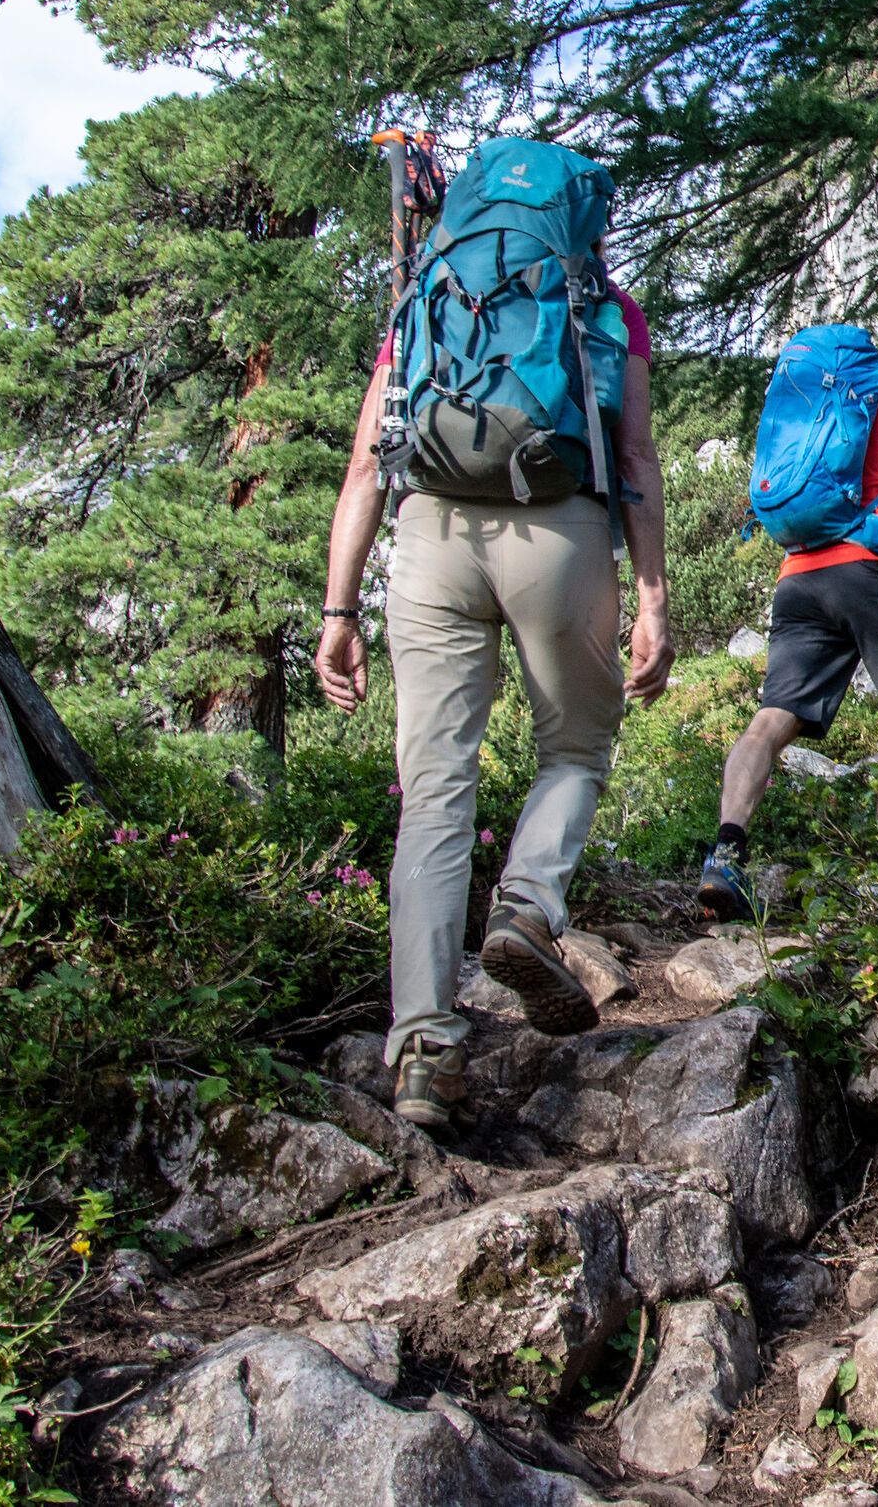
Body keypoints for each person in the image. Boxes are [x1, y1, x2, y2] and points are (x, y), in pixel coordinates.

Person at [314, 266, 673, 1131]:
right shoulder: (608, 307)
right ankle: (526, 905)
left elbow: (366, 465)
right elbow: (633, 457)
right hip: (561, 526)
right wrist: (654, 598)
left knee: (434, 790)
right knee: (575, 752)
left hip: (431, 530)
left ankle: (424, 1049)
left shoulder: (427, 300)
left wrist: (338, 611)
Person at [703, 321, 878, 917]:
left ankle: (725, 855)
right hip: (866, 575)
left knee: (772, 720)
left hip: (797, 576)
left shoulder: (844, 401)